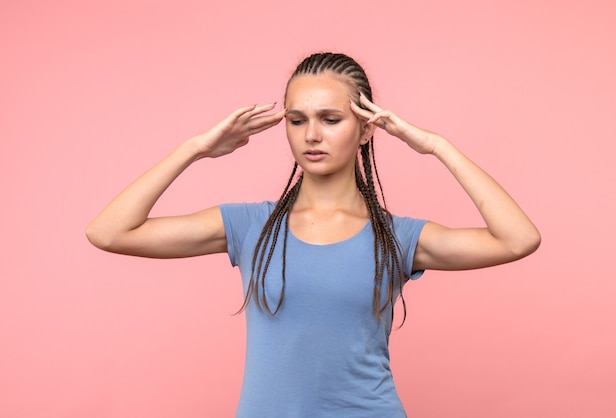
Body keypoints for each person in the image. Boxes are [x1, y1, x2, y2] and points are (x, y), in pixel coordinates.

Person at [86, 52, 540, 417]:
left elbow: (518, 239)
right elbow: (109, 232)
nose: (312, 135)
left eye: (330, 118)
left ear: (365, 129)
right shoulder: (250, 226)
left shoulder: (397, 238)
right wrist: (196, 149)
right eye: (297, 120)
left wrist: (437, 146)